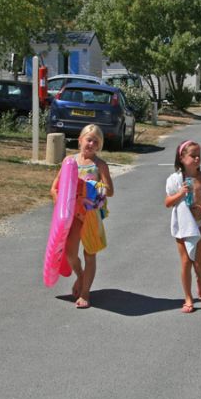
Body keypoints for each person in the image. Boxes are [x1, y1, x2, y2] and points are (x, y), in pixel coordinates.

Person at [50, 124, 114, 309]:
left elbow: (110, 191)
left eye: (96, 141)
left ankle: (85, 293)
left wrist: (95, 187)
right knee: (70, 253)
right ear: (80, 140)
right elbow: (54, 188)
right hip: (72, 214)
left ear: (99, 145)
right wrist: (60, 207)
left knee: (90, 254)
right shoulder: (70, 162)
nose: (92, 143)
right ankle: (80, 276)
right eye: (89, 139)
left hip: (91, 214)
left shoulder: (100, 165)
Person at [164, 140, 201, 313]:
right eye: (193, 155)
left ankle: (200, 278)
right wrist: (180, 193)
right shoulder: (175, 180)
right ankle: (188, 298)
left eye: (199, 155)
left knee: (198, 264)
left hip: (198, 225)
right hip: (181, 226)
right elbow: (167, 203)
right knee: (185, 262)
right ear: (182, 157)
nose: (197, 158)